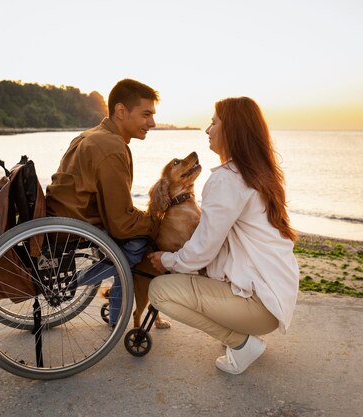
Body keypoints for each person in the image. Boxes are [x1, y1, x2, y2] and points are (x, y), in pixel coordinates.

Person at [147, 96, 299, 374]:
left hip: (258, 307)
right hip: (275, 299)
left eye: (214, 123)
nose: (208, 130)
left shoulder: (227, 179)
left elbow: (201, 251)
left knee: (159, 292)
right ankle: (240, 332)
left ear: (231, 130)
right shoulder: (258, 173)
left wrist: (166, 260)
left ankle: (240, 342)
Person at [46, 79, 160, 327]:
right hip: (76, 225)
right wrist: (156, 223)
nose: (152, 123)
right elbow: (120, 224)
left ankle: (116, 308)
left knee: (138, 231)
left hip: (64, 215)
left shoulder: (93, 134)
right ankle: (78, 283)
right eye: (146, 114)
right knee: (140, 242)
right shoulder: (110, 146)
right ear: (121, 111)